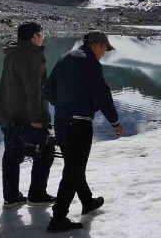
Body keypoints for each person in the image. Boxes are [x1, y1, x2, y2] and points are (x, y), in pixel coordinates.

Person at [43, 30, 124, 233]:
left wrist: (62, 106)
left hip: (62, 122)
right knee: (73, 170)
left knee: (73, 165)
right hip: (79, 125)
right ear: (96, 45)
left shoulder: (65, 58)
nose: (104, 53)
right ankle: (58, 218)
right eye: (105, 48)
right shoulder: (90, 62)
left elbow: (47, 89)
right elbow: (102, 94)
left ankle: (87, 201)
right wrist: (115, 122)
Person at [0, 21, 55, 208]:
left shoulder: (13, 52)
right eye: (41, 34)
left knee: (11, 155)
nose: (43, 37)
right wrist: (37, 119)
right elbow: (33, 90)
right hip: (24, 117)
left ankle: (11, 197)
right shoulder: (30, 56)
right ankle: (37, 195)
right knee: (46, 152)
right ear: (34, 36)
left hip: (8, 115)